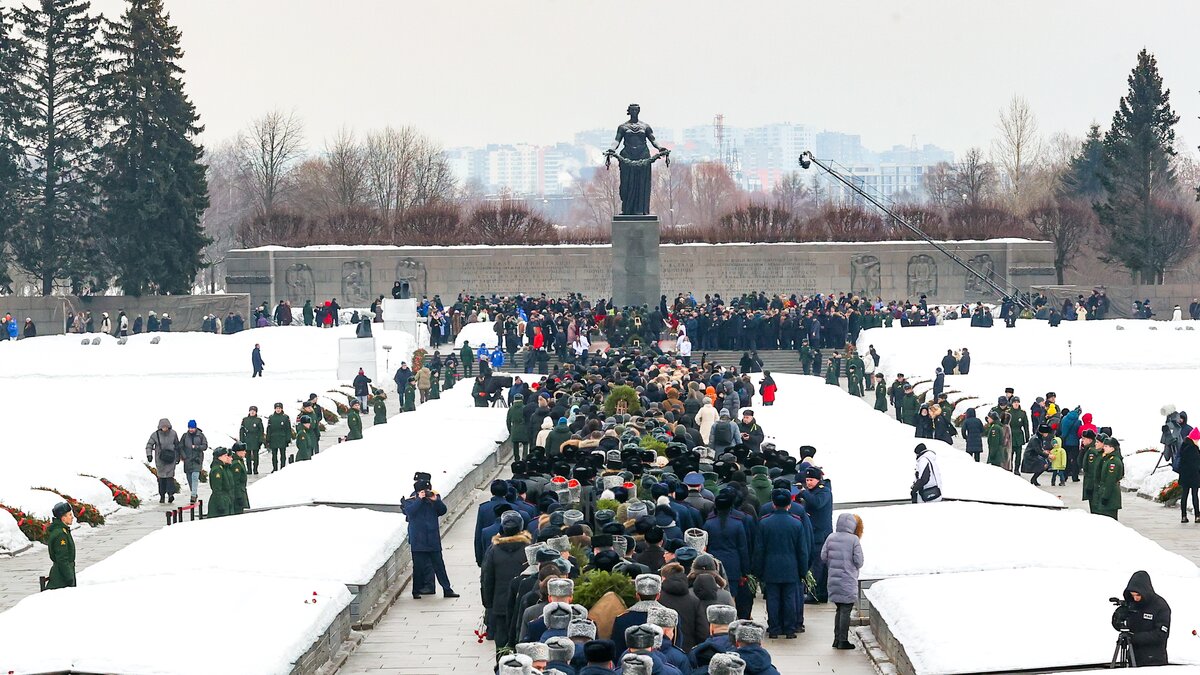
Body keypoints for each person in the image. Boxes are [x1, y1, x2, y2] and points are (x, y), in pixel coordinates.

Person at [753, 488, 810, 639]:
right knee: (790, 598)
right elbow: (802, 551)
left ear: (773, 504)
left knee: (773, 598)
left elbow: (759, 549)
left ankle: (774, 628)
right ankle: (790, 629)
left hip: (770, 567)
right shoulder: (796, 523)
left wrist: (758, 570)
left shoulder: (764, 523)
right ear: (789, 504)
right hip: (791, 567)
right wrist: (803, 571)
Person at [403, 474, 459, 599]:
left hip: (433, 540)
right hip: (419, 541)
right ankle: (416, 591)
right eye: (424, 491)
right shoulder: (410, 501)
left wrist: (436, 500)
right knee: (418, 568)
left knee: (439, 566)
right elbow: (410, 513)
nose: (427, 493)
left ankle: (447, 589)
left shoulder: (433, 500)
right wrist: (419, 499)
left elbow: (443, 510)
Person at [822, 513, 863, 650]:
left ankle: (836, 638)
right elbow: (859, 561)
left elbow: (823, 556)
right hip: (847, 578)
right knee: (846, 610)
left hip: (833, 578)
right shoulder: (854, 540)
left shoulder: (830, 537)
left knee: (839, 609)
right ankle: (843, 640)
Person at [1114, 571, 1171, 666]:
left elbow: (1160, 635)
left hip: (1154, 660)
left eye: (1138, 595)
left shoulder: (1160, 606)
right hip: (1133, 657)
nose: (1135, 598)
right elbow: (1121, 626)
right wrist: (1117, 618)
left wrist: (1134, 638)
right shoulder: (1132, 604)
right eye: (1133, 595)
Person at [145, 418, 180, 503]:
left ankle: (170, 494)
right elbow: (149, 445)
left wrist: (178, 456)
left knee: (170, 478)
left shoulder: (173, 433)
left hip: (171, 458)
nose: (165, 428)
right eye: (163, 427)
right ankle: (162, 495)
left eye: (166, 427)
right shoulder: (155, 435)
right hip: (160, 459)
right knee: (161, 479)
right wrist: (149, 455)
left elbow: (177, 445)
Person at [45, 502, 76, 590]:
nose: (72, 517)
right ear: (63, 518)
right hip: (61, 578)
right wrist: (69, 577)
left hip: (63, 573)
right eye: (70, 515)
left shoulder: (63, 530)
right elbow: (62, 559)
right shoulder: (60, 534)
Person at [1092, 437, 1124, 519]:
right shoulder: (1107, 459)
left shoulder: (1113, 462)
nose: (1104, 448)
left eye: (1106, 446)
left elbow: (1110, 481)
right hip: (1104, 492)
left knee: (1110, 519)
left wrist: (1105, 496)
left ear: (1112, 448)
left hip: (1110, 496)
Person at [180, 420, 208, 505]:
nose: (191, 429)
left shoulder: (201, 435)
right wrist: (183, 456)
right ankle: (194, 493)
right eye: (189, 428)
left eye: (192, 428)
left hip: (197, 460)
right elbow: (180, 446)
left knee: (195, 478)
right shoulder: (185, 436)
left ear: (195, 427)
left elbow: (205, 446)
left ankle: (193, 495)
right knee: (189, 478)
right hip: (187, 460)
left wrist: (196, 447)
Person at [206, 448, 236, 518]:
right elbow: (217, 489)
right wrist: (221, 504)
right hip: (220, 500)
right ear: (219, 457)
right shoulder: (217, 469)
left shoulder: (222, 467)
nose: (227, 457)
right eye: (225, 455)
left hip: (225, 499)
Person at [1179, 427, 1200, 523]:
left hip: (1184, 476)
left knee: (1184, 495)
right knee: (1194, 495)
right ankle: (1197, 516)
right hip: (1194, 476)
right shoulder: (1194, 449)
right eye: (1197, 439)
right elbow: (1197, 464)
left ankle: (1183, 516)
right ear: (1194, 438)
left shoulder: (1183, 446)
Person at [239, 405, 264, 475]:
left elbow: (261, 431)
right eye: (251, 411)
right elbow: (241, 430)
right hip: (247, 439)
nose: (252, 412)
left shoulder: (258, 420)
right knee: (248, 456)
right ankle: (249, 469)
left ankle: (255, 469)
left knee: (256, 455)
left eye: (254, 411)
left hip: (255, 439)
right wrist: (242, 440)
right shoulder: (245, 420)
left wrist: (260, 440)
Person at [266, 402, 292, 471]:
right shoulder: (271, 417)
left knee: (283, 454)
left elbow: (288, 429)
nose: (278, 410)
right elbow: (269, 429)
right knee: (274, 455)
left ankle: (283, 467)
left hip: (282, 438)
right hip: (273, 438)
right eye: (277, 408)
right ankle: (275, 468)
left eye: (279, 408)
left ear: (282, 409)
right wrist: (268, 439)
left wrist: (288, 438)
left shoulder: (285, 417)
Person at [231, 443, 250, 514]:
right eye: (243, 451)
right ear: (238, 452)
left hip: (241, 491)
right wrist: (239, 496)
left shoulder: (239, 461)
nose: (245, 452)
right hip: (238, 493)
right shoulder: (236, 464)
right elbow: (236, 481)